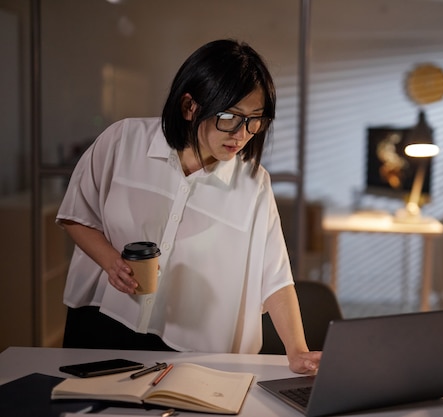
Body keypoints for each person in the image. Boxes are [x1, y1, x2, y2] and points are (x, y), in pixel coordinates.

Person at [56, 39, 321, 374]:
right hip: (103, 320)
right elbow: (76, 214)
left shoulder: (253, 184)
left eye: (255, 119)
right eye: (229, 117)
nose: (242, 134)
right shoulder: (123, 141)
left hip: (189, 343)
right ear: (189, 106)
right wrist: (111, 263)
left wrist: (296, 350)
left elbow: (275, 278)